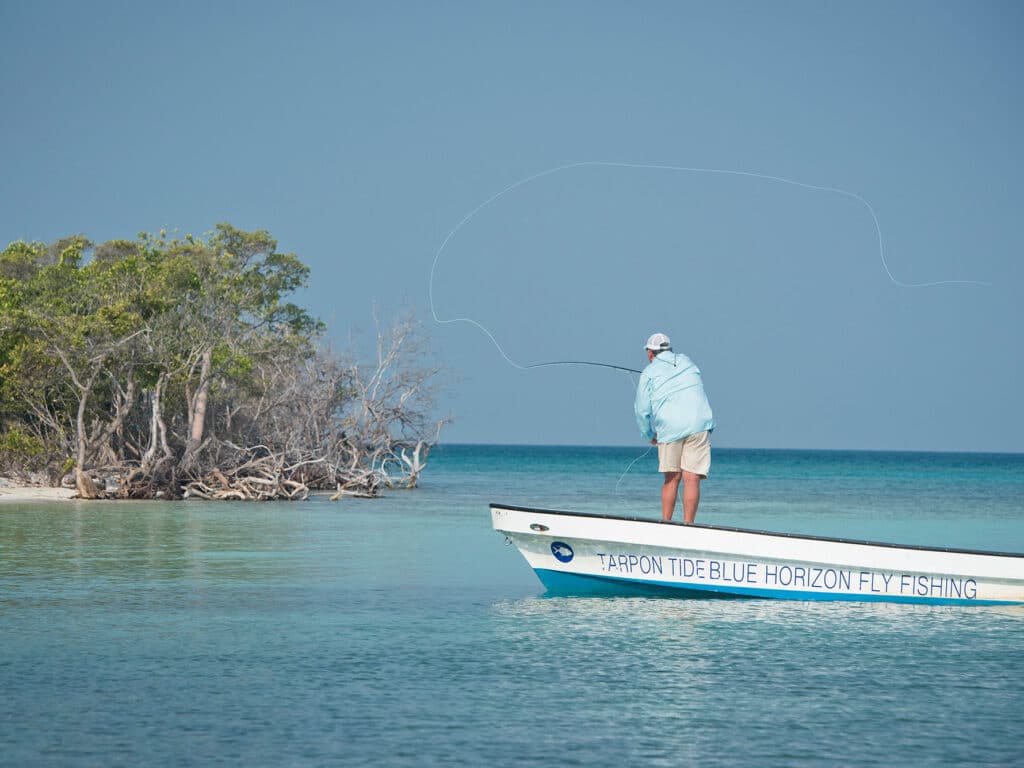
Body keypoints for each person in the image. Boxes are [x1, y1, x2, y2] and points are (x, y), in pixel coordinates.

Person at [634, 332, 715, 523]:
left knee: (672, 478)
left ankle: (666, 524)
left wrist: (648, 434)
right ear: (670, 349)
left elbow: (641, 409)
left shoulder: (648, 372)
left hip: (670, 428)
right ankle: (688, 525)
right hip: (699, 423)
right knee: (692, 478)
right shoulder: (687, 361)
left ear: (650, 353)